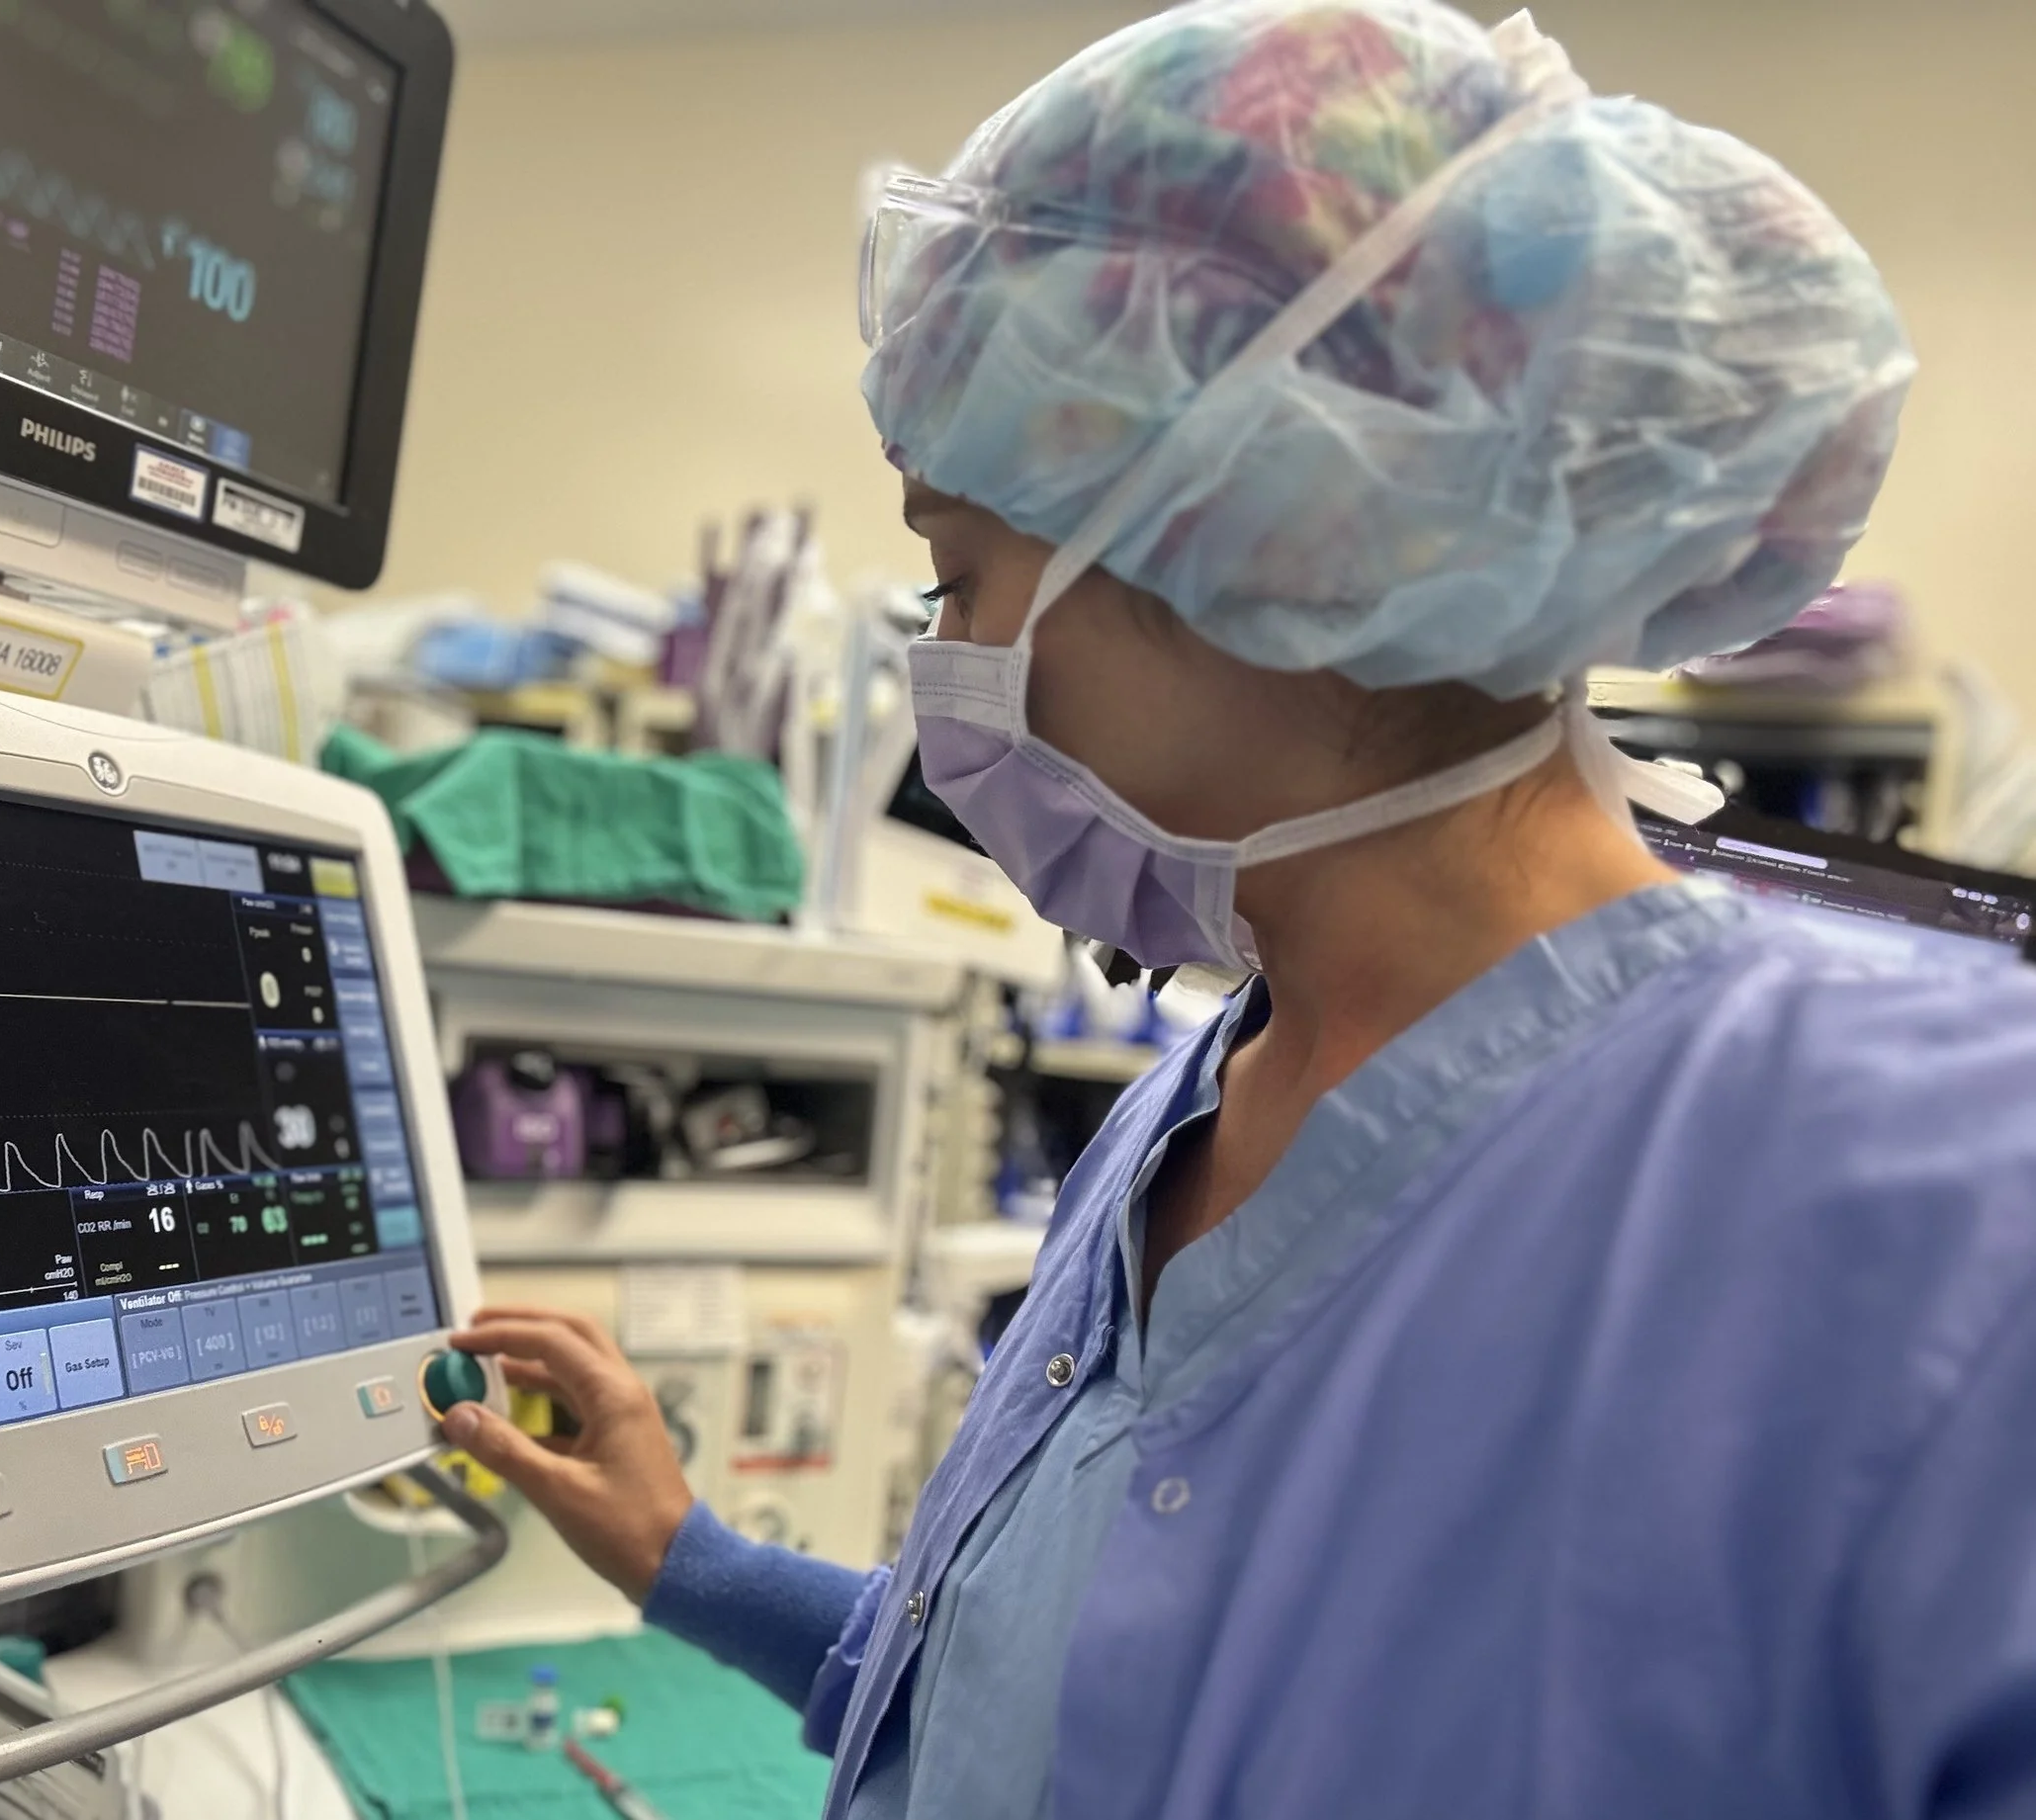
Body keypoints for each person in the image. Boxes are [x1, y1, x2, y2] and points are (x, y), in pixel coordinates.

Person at [442, 3, 2036, 1814]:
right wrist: (692, 1559)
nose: (947, 663)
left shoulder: (1935, 1201)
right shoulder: (1194, 1104)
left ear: (1262, 539)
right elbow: (1049, 1694)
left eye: (959, 572)